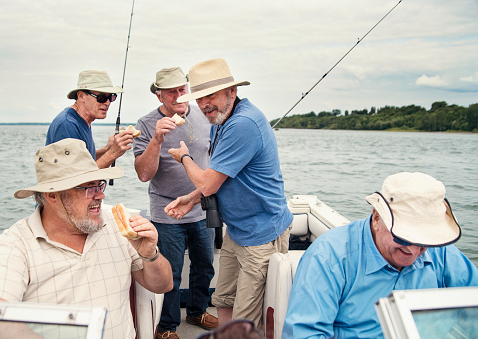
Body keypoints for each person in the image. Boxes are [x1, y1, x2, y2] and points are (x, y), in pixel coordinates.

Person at [0, 138, 173, 339]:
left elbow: (163, 286)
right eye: (89, 188)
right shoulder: (15, 244)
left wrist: (150, 255)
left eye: (100, 185)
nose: (100, 196)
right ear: (53, 196)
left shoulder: (116, 223)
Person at [164, 58, 293, 328]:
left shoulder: (243, 124)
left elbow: (209, 183)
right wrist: (190, 199)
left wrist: (184, 157)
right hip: (237, 230)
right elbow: (219, 178)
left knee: (246, 317)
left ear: (231, 92)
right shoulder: (220, 120)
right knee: (223, 299)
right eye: (199, 99)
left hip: (261, 233)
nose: (204, 105)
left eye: (210, 96)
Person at [282, 172, 478, 338]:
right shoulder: (329, 257)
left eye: (424, 243)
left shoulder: (443, 254)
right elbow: (306, 333)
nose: (414, 251)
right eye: (404, 238)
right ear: (377, 218)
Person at [133, 67, 217, 339]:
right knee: (171, 272)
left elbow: (217, 158)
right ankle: (167, 327)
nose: (180, 96)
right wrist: (157, 139)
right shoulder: (146, 124)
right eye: (172, 91)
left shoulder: (205, 117)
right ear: (160, 96)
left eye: (183, 89)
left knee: (204, 264)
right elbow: (144, 174)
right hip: (167, 211)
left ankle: (197, 310)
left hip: (202, 207)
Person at [46, 70, 135, 169]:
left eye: (111, 97)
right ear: (81, 96)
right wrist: (112, 153)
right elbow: (74, 177)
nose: (107, 103)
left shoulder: (82, 121)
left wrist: (107, 149)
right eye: (101, 97)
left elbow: (85, 163)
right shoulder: (67, 124)